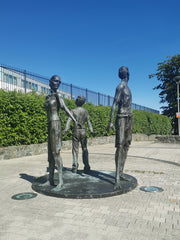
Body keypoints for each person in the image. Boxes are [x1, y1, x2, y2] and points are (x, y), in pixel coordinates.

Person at [44, 75, 76, 189]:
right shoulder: (47, 97)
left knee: (55, 152)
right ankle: (51, 179)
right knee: (50, 154)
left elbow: (66, 109)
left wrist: (74, 120)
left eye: (59, 82)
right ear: (50, 82)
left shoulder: (58, 96)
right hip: (49, 124)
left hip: (55, 124)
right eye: (55, 81)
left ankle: (61, 181)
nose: (57, 83)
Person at [108, 66, 133, 189]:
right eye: (122, 71)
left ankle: (121, 173)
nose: (124, 73)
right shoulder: (120, 87)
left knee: (127, 144)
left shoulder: (127, 87)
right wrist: (111, 122)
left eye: (125, 71)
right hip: (122, 117)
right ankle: (117, 177)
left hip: (129, 117)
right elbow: (114, 104)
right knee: (120, 145)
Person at [64, 95, 93, 173]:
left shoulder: (73, 111)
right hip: (83, 131)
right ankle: (86, 166)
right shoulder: (85, 111)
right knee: (84, 149)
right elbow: (89, 121)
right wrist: (91, 129)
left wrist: (66, 128)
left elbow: (69, 120)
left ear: (77, 102)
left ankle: (75, 166)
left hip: (76, 131)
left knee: (75, 149)